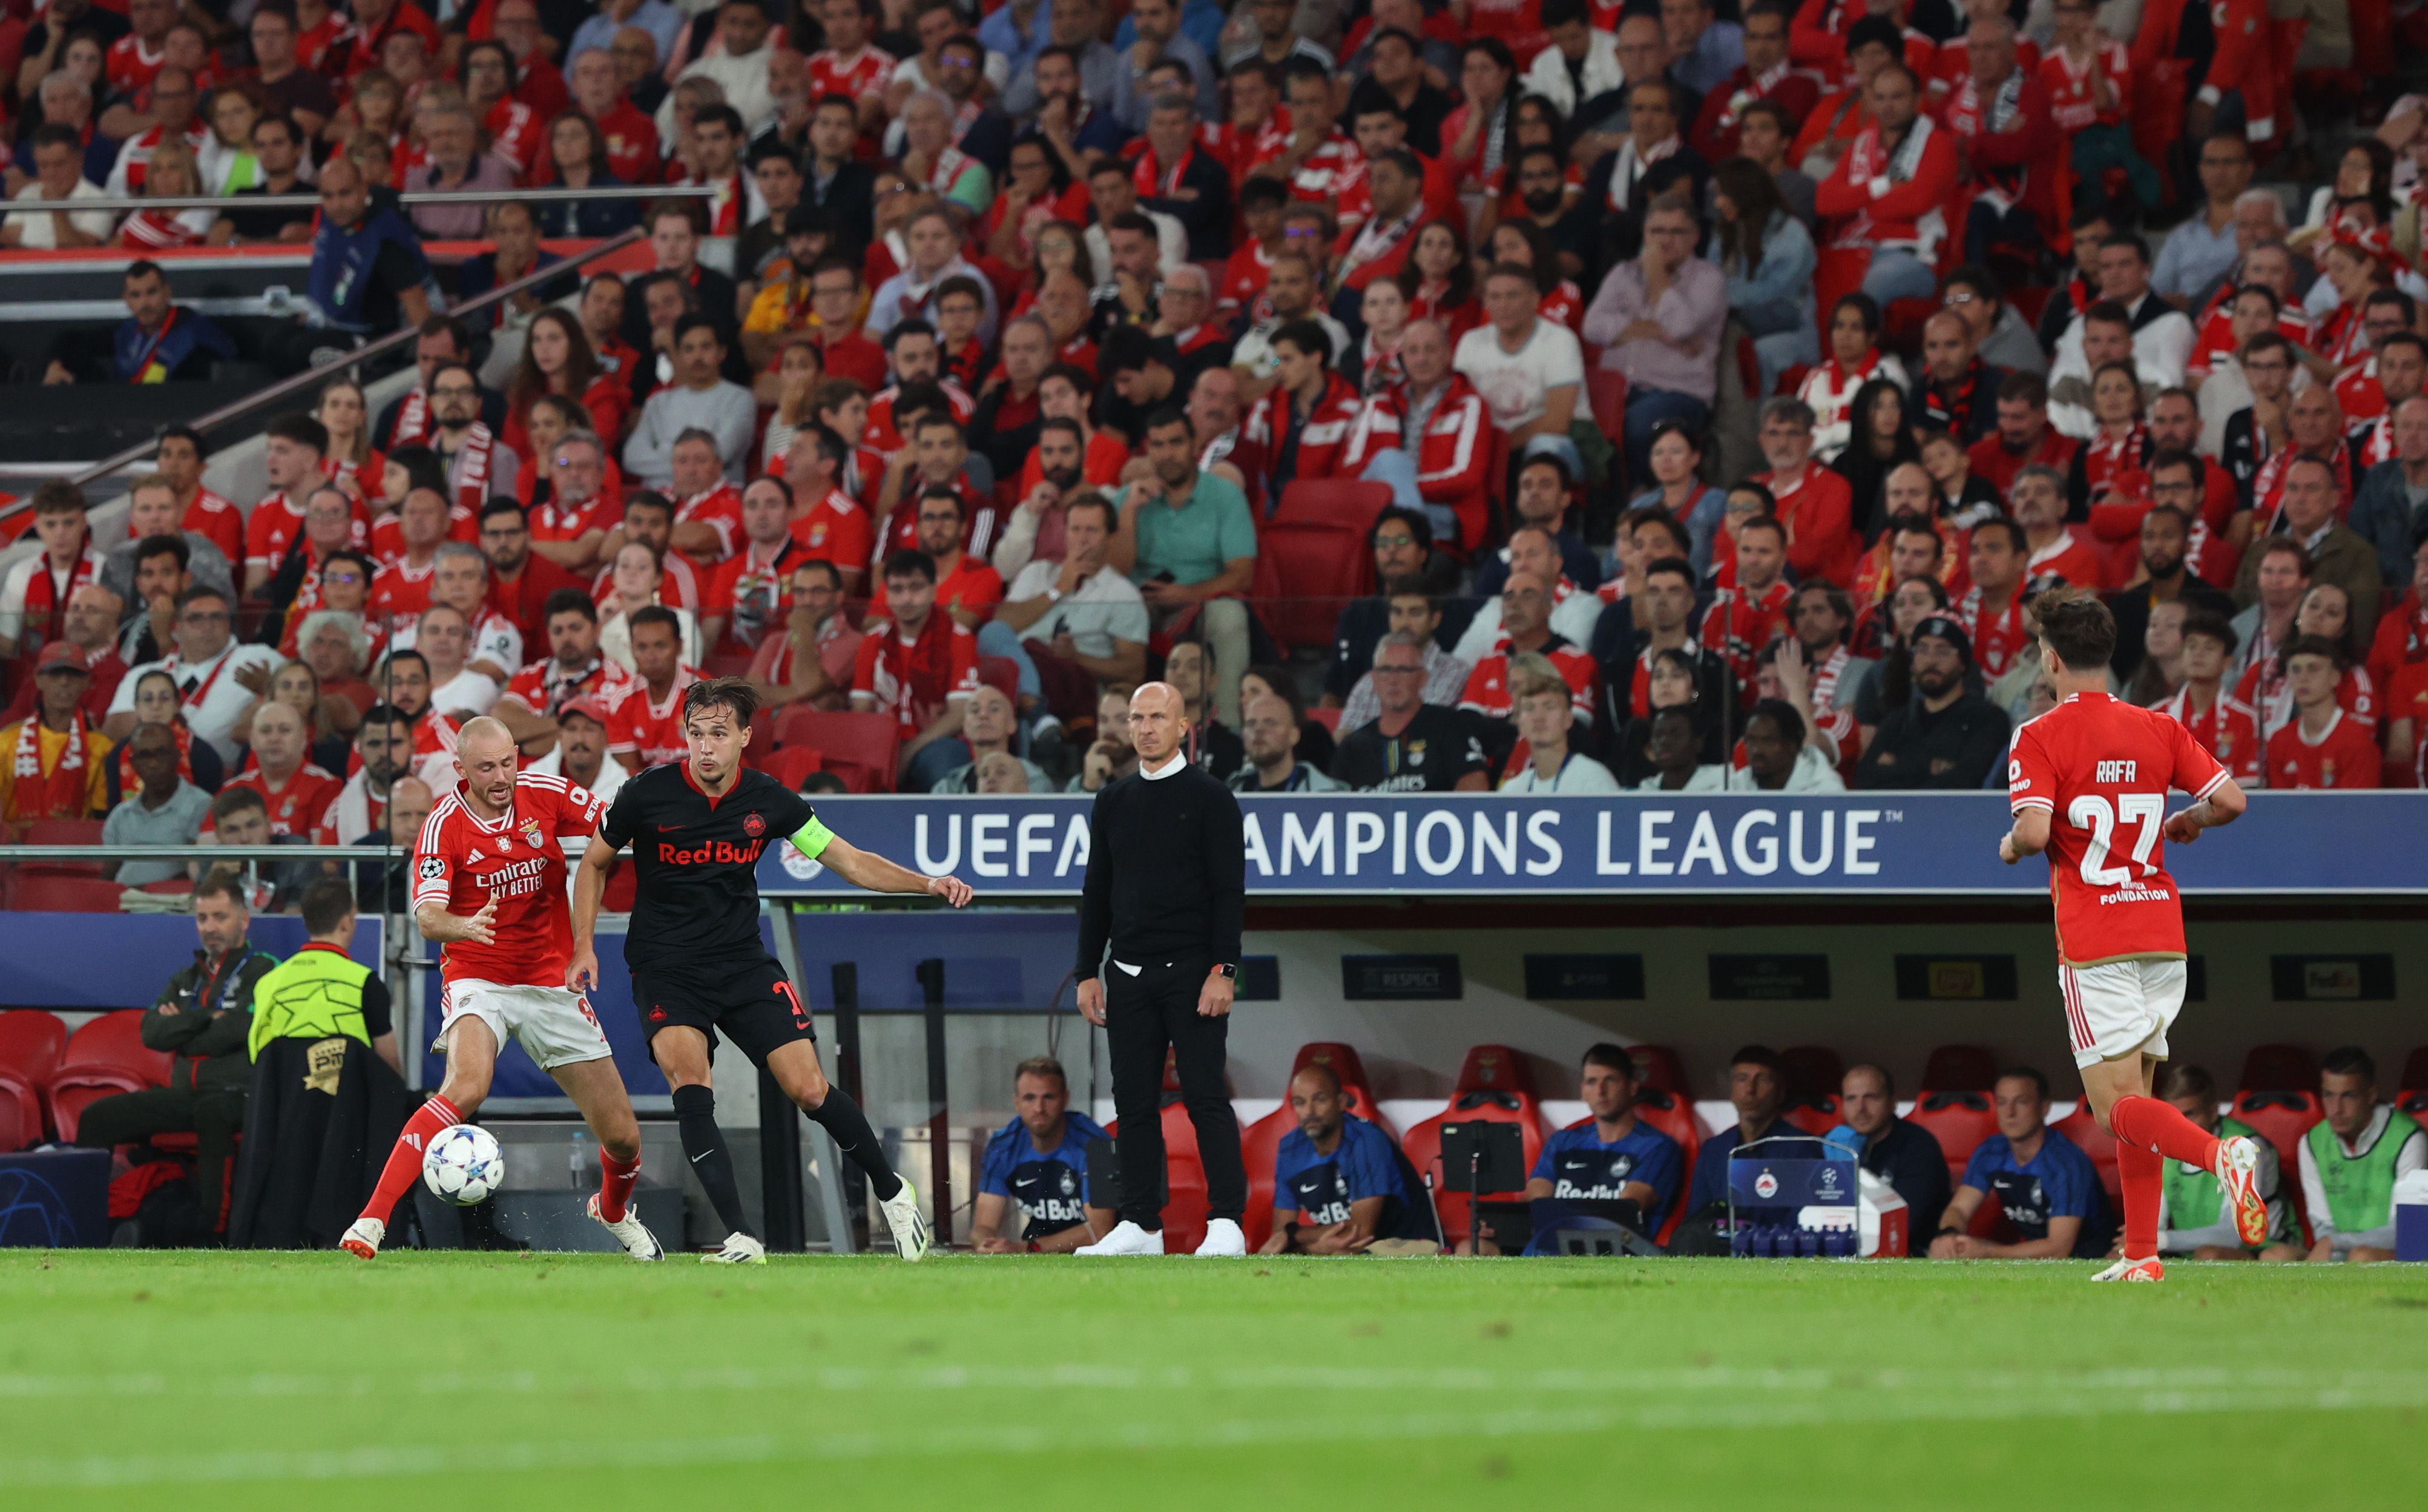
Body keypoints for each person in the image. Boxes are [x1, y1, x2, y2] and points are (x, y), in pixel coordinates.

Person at [573, 677, 969, 1263]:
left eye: (718, 734)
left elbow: (849, 860)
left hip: (742, 963)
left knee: (808, 1087)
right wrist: (585, 943)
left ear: (744, 738)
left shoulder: (770, 800)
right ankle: (740, 1235)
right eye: (696, 734)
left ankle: (894, 1191)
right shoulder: (643, 795)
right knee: (691, 1082)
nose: (705, 747)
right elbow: (593, 864)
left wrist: (927, 882)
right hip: (666, 966)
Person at [1996, 593, 2266, 1278]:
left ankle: (2219, 1156)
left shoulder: (2037, 734)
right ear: (2106, 655)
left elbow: (2032, 833)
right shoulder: (2157, 726)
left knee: (2112, 1106)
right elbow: (2232, 800)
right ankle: (2143, 1254)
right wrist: (2190, 822)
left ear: (2049, 656)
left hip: (2095, 940)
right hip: (2160, 933)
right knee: (2137, 1098)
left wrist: (2009, 846)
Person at [340, 717, 660, 1261]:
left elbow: (616, 827)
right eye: (486, 767)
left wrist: (587, 937)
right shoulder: (443, 825)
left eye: (508, 762)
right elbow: (427, 917)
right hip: (478, 976)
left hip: (550, 981)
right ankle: (372, 1219)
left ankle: (609, 1210)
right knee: (467, 1085)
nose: (502, 776)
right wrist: (463, 927)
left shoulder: (547, 792)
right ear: (460, 770)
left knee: (625, 1138)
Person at [1070, 681, 1247, 1258]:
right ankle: (1142, 1225)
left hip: (1192, 971)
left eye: (1156, 717)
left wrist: (1224, 969)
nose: (1145, 727)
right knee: (1134, 1104)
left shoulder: (1211, 797)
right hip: (1125, 972)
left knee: (1203, 1096)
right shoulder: (1112, 801)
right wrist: (1086, 971)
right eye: (1136, 717)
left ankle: (1227, 1222)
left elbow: (1229, 891)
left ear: (1181, 728)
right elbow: (1097, 891)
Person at [71, 868, 276, 1238]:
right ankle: (86, 1226)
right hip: (186, 1095)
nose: (209, 927)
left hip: (237, 1096)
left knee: (212, 1113)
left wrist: (184, 1030)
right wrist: (204, 1019)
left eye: (220, 916)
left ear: (244, 920)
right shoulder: (186, 979)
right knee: (97, 1117)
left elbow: (238, 1029)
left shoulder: (264, 971)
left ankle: (212, 1235)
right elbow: (152, 1033)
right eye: (202, 918)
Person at [1110, 410, 1256, 727]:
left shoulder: (1224, 496)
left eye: (1176, 443)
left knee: (1230, 615)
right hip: (1139, 604)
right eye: (1158, 445)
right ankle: (1112, 733)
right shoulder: (1129, 498)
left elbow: (1243, 574)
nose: (1167, 454)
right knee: (1105, 609)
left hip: (1200, 602)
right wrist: (1131, 511)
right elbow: (1111, 573)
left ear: (1194, 446)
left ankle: (1228, 731)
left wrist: (1186, 594)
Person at [1584, 202, 1728, 487]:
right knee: (1578, 430)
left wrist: (1657, 277)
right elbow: (1592, 327)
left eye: (1676, 231)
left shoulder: (1709, 279)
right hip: (1617, 388)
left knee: (1637, 427)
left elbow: (1681, 326)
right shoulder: (1623, 273)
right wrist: (1659, 332)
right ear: (1645, 233)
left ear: (1695, 237)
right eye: (1657, 231)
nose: (1665, 239)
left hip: (1677, 392)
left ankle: (1641, 498)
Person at [1927, 1068, 2112, 1260]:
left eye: (2022, 1102)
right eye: (2002, 1102)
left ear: (2044, 1108)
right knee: (1948, 1249)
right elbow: (1959, 1209)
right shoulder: (1992, 1151)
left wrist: (1985, 1252)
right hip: (2033, 1256)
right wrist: (1949, 1235)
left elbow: (2059, 1249)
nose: (2010, 1113)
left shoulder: (2065, 1163)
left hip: (2086, 1260)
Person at [1512, 1046, 1685, 1252]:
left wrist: (1559, 1216)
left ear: (1632, 1087)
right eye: (1592, 1082)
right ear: (1583, 1091)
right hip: (1551, 1247)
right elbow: (1535, 1199)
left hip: (1616, 1253)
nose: (1601, 1091)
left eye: (1611, 1080)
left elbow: (1623, 1212)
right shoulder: (1562, 1141)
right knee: (1475, 1247)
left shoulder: (1658, 1147)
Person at [1259, 1061, 1435, 1256]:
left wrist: (1297, 1236)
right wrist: (1300, 1241)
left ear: (1341, 1102)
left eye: (1320, 1100)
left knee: (1340, 1256)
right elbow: (1280, 1235)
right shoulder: (1290, 1149)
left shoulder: (1367, 1141)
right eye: (1300, 1102)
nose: (1309, 1112)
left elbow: (1358, 1234)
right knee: (1270, 1255)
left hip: (1407, 1242)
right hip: (1343, 1246)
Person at [850, 550, 980, 791]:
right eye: (897, 590)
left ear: (933, 590)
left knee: (945, 758)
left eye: (916, 588)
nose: (907, 599)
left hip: (935, 744)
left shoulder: (959, 638)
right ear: (886, 594)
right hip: (884, 743)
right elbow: (862, 712)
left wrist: (909, 751)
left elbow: (959, 714)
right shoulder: (872, 641)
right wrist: (888, 753)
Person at [243, 878, 400, 1071]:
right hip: (347, 1099)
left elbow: (256, 1057)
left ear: (306, 921)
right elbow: (389, 1069)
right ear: (345, 924)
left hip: (285, 1099)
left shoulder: (267, 983)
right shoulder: (366, 984)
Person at [972, 1056, 1116, 1254]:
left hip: (1098, 1253)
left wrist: (1025, 1248)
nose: (1039, 1109)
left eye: (1049, 1097)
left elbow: (1100, 1231)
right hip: (1036, 1248)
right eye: (1029, 1098)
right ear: (1017, 1102)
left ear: (1065, 1099)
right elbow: (983, 1226)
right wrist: (987, 1245)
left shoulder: (1094, 1145)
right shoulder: (1003, 1146)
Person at [2299, 1046, 2427, 1265]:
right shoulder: (2312, 1143)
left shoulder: (2409, 1138)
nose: (2336, 1109)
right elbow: (2322, 1227)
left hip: (2407, 1254)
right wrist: (2335, 1245)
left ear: (2371, 1095)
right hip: (2341, 1251)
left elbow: (2409, 1231)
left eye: (2348, 1096)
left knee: (2362, 1257)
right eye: (2329, 1095)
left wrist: (2337, 1242)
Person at [1854, 614, 2010, 789]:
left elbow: (1966, 781)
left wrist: (1897, 766)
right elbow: (1864, 779)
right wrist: (1929, 766)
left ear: (1963, 663)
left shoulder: (1988, 719)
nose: (1931, 660)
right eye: (1922, 649)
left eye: (1943, 651)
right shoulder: (1896, 721)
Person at [1331, 634, 1491, 792]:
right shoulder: (1353, 746)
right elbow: (1333, 804)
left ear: (1422, 678)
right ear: (1373, 678)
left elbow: (1474, 786)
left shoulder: (1450, 726)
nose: (1393, 680)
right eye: (1385, 670)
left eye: (1404, 670)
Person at [1821, 1064, 1950, 1255]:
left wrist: (1852, 1170)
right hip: (1840, 1252)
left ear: (1893, 1102)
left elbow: (1902, 1223)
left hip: (1910, 1257)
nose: (1861, 1109)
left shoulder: (1918, 1145)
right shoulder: (1831, 1143)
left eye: (1871, 1098)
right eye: (1851, 1099)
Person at [1680, 1045, 1802, 1217]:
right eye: (1741, 1079)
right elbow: (1697, 1217)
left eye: (1762, 1079)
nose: (1750, 1089)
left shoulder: (1802, 1147)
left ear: (1780, 1093)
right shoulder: (1713, 1149)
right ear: (1731, 1091)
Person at [928, 685, 1049, 793]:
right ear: (964, 726)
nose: (983, 715)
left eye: (994, 709)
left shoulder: (1034, 780)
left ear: (1012, 724)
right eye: (975, 711)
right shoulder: (947, 788)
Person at [1231, 691, 1345, 792]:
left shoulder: (1328, 795)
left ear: (1294, 735)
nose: (1258, 730)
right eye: (1251, 723)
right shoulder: (1231, 792)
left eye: (1270, 723)